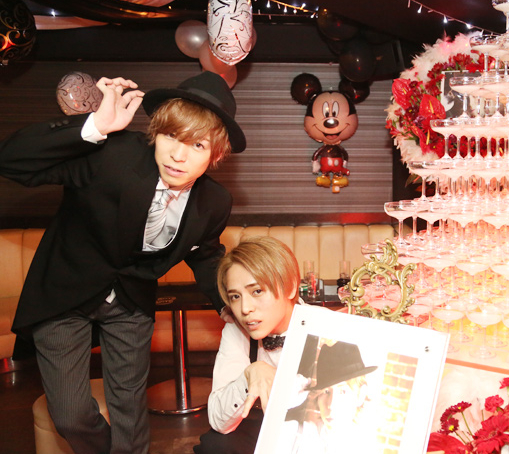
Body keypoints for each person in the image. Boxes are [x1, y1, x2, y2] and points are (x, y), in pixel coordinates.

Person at [0, 71, 245, 454]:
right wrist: (93, 127)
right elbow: (11, 161)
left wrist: (228, 303)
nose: (178, 155)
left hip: (130, 304)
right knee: (70, 416)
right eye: (171, 136)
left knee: (130, 414)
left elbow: (205, 254)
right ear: (156, 132)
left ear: (215, 154)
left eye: (197, 145)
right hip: (65, 295)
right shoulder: (112, 154)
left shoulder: (214, 202)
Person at [193, 235, 301, 454]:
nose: (244, 309)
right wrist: (251, 374)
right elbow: (218, 421)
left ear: (290, 287)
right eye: (235, 296)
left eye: (257, 291)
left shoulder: (325, 328)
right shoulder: (237, 329)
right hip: (263, 425)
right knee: (215, 445)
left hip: (312, 431)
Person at [284, 340, 378, 454]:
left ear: (361, 395)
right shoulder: (297, 437)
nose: (331, 405)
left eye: (343, 391)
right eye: (326, 391)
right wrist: (282, 400)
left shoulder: (367, 449)